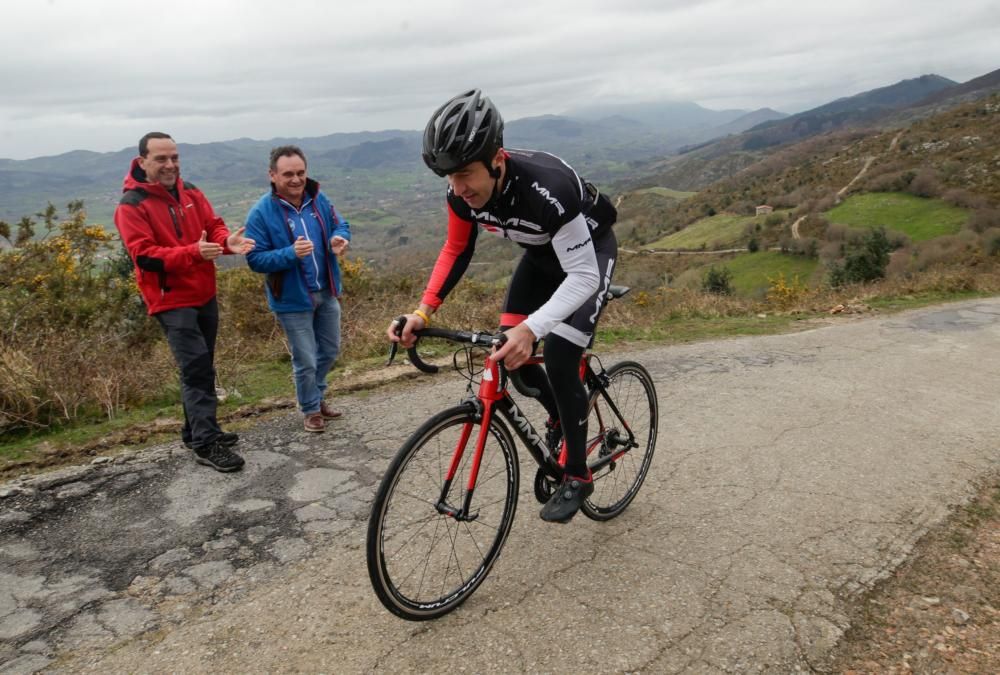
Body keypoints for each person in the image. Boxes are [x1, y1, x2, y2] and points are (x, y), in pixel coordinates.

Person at [387, 89, 619, 523]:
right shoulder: (460, 195)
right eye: (448, 178)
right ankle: (559, 419)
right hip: (541, 258)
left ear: (496, 158)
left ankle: (577, 474)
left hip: (590, 256)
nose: (457, 188)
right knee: (509, 353)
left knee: (564, 358)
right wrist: (422, 313)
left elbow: (584, 276)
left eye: (465, 174)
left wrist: (533, 329)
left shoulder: (547, 188)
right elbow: (456, 250)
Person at [114, 132, 255, 473]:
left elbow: (213, 226)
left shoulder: (190, 191)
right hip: (169, 299)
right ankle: (206, 444)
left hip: (203, 292)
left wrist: (226, 242)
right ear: (142, 161)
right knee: (196, 367)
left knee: (203, 363)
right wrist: (193, 252)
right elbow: (144, 256)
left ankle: (197, 431)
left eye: (174, 157)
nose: (170, 165)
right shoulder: (131, 204)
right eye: (161, 159)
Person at [245, 146, 351, 433]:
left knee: (329, 351)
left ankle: (316, 397)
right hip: (291, 299)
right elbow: (254, 259)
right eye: (288, 174)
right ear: (273, 175)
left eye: (301, 173)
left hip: (326, 291)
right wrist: (290, 253)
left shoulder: (318, 200)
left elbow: (341, 224)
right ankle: (311, 409)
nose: (296, 179)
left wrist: (339, 238)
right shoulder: (261, 213)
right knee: (305, 358)